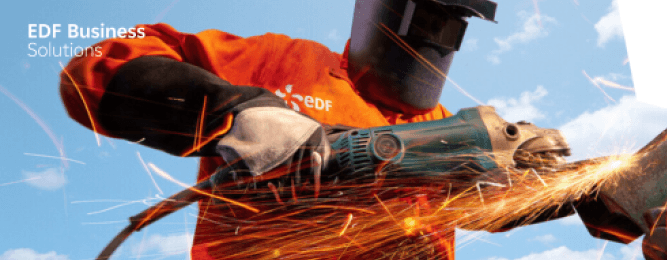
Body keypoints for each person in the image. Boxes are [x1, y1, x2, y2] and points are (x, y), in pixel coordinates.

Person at [59, 0, 497, 259]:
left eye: (451, 26)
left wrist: (546, 186)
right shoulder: (285, 62)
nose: (436, 37)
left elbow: (486, 205)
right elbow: (94, 70)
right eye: (426, 20)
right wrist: (232, 114)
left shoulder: (441, 122)